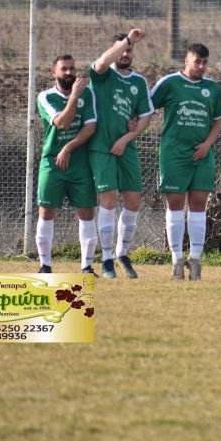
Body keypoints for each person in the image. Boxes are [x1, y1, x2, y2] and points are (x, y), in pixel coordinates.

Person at [150, 43, 221, 280]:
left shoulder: (212, 88)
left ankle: (195, 260)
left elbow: (219, 121)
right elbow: (146, 107)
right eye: (197, 61)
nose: (201, 66)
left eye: (205, 62)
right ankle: (176, 259)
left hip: (202, 155)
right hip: (173, 154)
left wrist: (206, 145)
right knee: (174, 206)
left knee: (198, 207)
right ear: (186, 60)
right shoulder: (170, 83)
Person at [88, 28, 154, 278]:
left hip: (126, 147)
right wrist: (127, 38)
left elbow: (146, 117)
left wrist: (127, 138)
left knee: (134, 200)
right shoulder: (102, 74)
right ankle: (105, 259)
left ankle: (122, 254)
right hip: (102, 146)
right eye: (122, 49)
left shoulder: (138, 81)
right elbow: (103, 61)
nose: (125, 53)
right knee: (107, 200)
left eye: (129, 50)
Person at [35, 55, 98, 274]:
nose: (70, 73)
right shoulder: (45, 97)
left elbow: (90, 127)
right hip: (52, 163)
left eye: (72, 68)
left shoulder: (87, 94)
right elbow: (62, 123)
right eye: (64, 69)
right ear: (54, 73)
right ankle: (45, 266)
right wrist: (73, 97)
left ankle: (87, 267)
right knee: (46, 213)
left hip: (79, 164)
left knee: (87, 213)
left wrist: (69, 148)